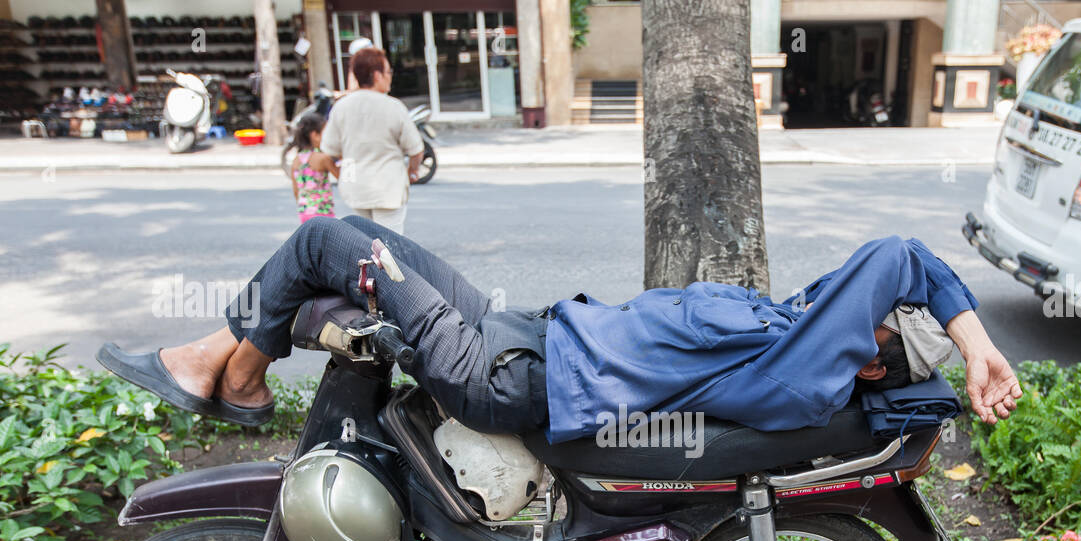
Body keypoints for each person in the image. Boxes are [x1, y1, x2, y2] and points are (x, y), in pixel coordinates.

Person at [97, 216, 1021, 434]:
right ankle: (233, 360)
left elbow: (901, 258)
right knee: (365, 238)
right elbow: (888, 277)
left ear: (865, 360)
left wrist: (977, 350)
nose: (849, 311)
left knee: (327, 239)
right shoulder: (792, 321)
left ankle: (226, 368)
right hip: (522, 332)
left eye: (873, 329)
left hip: (514, 378)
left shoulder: (803, 365)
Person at [319, 48, 423, 235]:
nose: (390, 77)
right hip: (388, 188)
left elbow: (329, 151)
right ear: (377, 75)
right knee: (389, 248)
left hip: (356, 189)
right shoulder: (393, 106)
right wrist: (412, 171)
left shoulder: (341, 107)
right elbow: (416, 150)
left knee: (364, 246)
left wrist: (342, 172)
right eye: (388, 72)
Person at [288, 112, 337, 223]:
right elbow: (340, 176)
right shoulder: (322, 158)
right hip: (323, 212)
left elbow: (296, 191)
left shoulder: (296, 160)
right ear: (315, 135)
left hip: (304, 212)